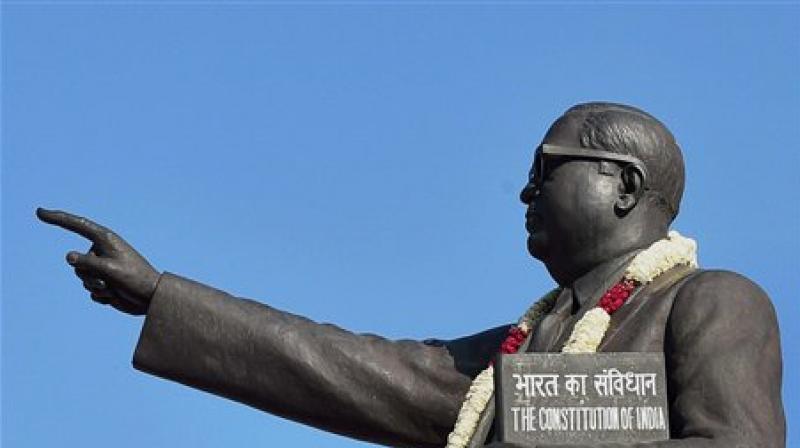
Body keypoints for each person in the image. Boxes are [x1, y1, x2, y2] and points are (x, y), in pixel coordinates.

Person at [38, 102, 785, 448]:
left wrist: (558, 435)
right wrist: (165, 298)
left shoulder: (712, 302)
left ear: (623, 183)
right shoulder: (518, 357)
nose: (525, 192)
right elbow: (351, 370)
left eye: (546, 170)